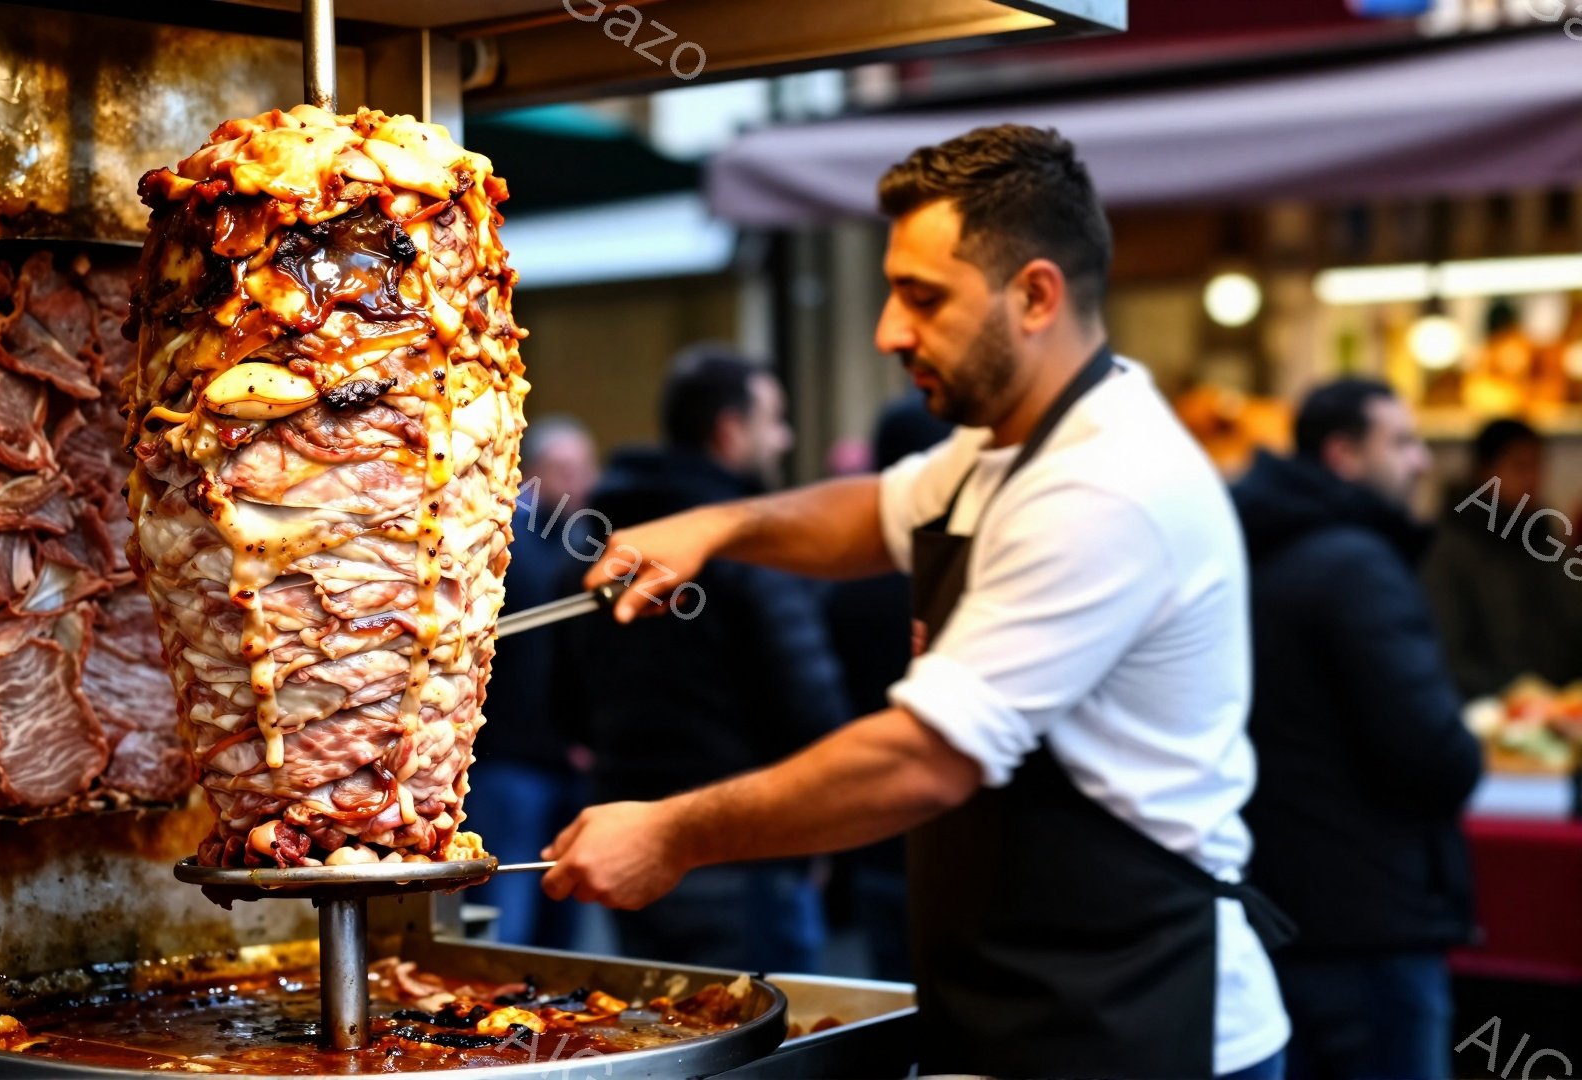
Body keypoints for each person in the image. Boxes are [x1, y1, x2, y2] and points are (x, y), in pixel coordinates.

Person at [542, 125, 1290, 1079]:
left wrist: (673, 832)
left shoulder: (1107, 483)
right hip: (1019, 996)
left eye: (922, 298)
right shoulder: (1006, 446)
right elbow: (876, 512)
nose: (889, 332)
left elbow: (922, 761)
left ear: (1035, 296)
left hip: (1144, 1018)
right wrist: (720, 528)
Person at [555, 344, 848, 974]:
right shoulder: (748, 551)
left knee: (648, 1034)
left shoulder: (596, 541)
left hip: (620, 828)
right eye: (775, 419)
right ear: (729, 429)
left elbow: (562, 700)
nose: (785, 437)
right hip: (742, 843)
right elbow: (807, 704)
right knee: (764, 1042)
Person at [1232, 379, 1481, 1080]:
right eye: (1401, 442)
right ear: (1342, 454)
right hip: (1372, 928)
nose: (1422, 462)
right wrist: (1464, 746)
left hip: (1276, 918)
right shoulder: (1359, 567)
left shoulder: (1251, 550)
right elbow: (1435, 756)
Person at [820, 392, 953, 981]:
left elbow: (824, 699)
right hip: (945, 820)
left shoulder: (844, 590)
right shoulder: (958, 578)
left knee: (889, 995)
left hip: (871, 817)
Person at [466, 416, 599, 948]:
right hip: (508, 760)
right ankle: (497, 1028)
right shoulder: (502, 540)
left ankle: (551, 1025)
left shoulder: (585, 540)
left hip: (568, 760)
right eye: (563, 468)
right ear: (532, 470)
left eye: (585, 467)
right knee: (505, 914)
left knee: (564, 907)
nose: (579, 480)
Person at [1423, 418, 1582, 697]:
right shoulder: (1448, 550)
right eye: (1519, 467)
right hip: (1488, 714)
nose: (1532, 480)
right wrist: (1516, 694)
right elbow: (1448, 656)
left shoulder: (1543, 536)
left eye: (1538, 466)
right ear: (1485, 472)